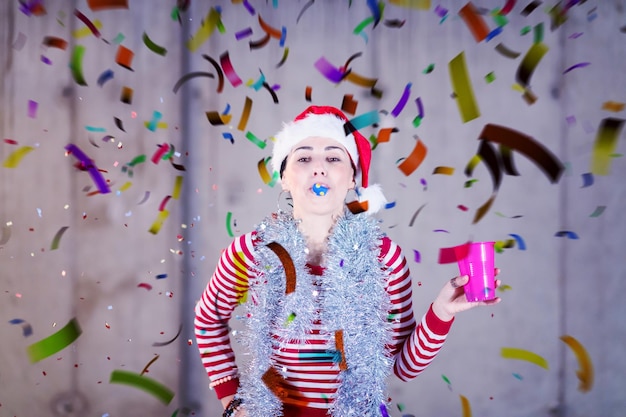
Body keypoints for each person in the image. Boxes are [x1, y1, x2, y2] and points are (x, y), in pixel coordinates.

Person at [194, 105, 501, 417]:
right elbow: (207, 320)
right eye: (303, 158)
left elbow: (402, 367)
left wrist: (442, 311)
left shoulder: (384, 258)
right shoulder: (252, 251)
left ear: (353, 176)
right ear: (283, 177)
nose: (319, 168)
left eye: (333, 157)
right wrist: (233, 403)